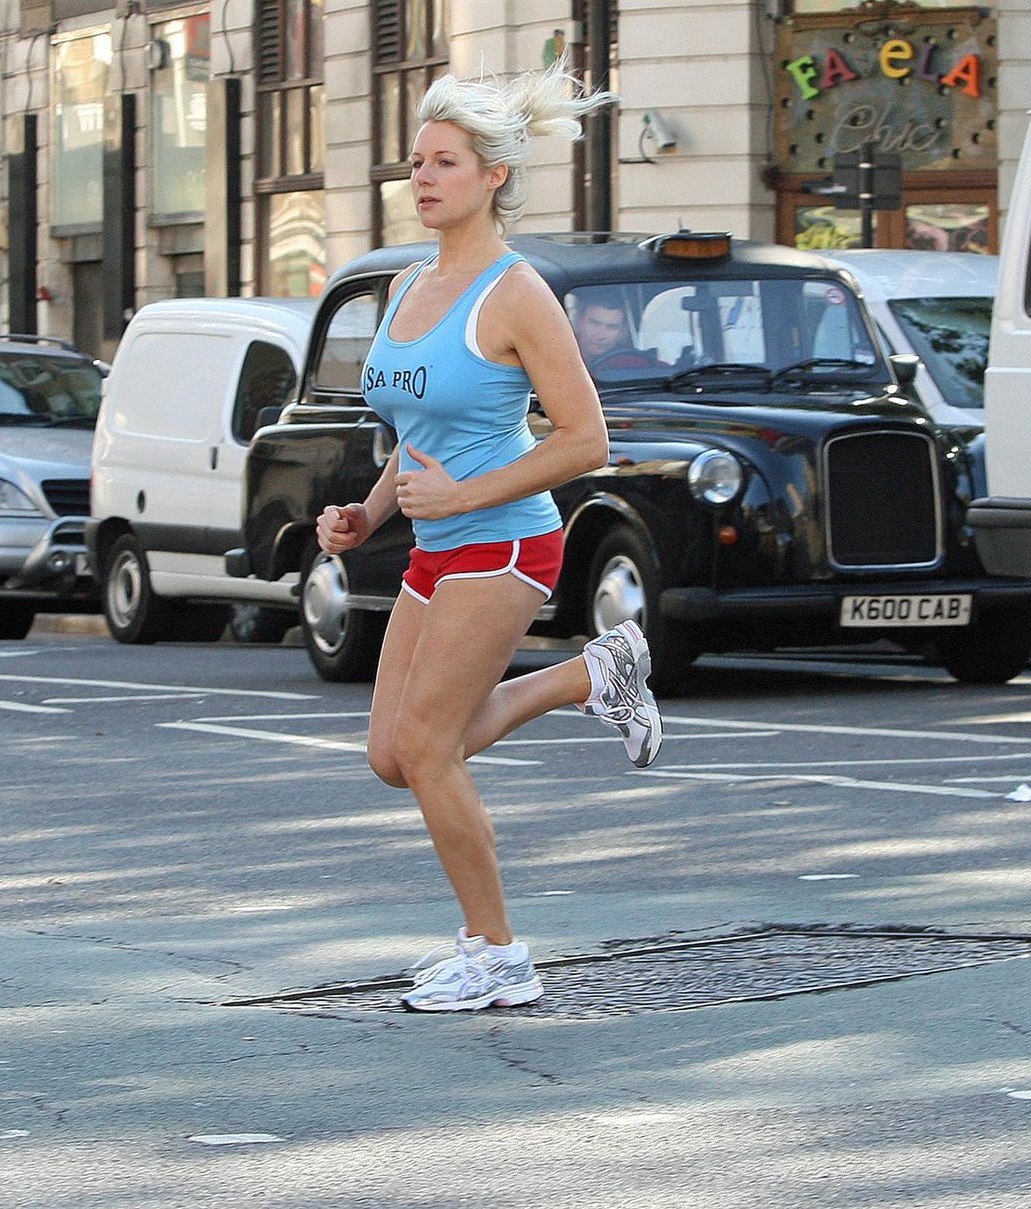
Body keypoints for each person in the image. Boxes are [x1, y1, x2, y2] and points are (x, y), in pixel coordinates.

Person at [314, 61, 663, 1014]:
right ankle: (589, 678)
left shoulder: (518, 294)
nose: (422, 179)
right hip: (436, 547)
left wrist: (466, 496)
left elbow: (585, 439)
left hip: (508, 543)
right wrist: (366, 516)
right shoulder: (412, 285)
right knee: (394, 754)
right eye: (416, 163)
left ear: (493, 176)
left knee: (429, 748)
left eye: (445, 163)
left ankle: (498, 953)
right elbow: (419, 441)